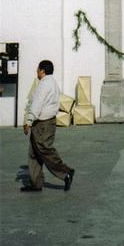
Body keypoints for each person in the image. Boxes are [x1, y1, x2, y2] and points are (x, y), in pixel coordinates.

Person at [21, 60, 74, 192]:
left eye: (38, 70)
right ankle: (35, 183)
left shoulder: (44, 84)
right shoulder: (53, 83)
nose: (37, 72)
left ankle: (65, 172)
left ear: (42, 71)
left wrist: (28, 121)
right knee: (34, 153)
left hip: (42, 123)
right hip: (47, 121)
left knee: (44, 150)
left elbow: (37, 104)